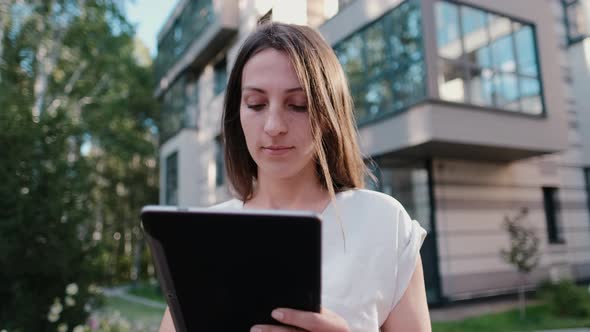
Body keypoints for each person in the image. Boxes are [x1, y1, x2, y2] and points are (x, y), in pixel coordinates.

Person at [159, 22, 431, 332]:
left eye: (298, 106)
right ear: (238, 114)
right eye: (256, 104)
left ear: (329, 113)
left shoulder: (384, 223)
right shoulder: (201, 237)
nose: (274, 126)